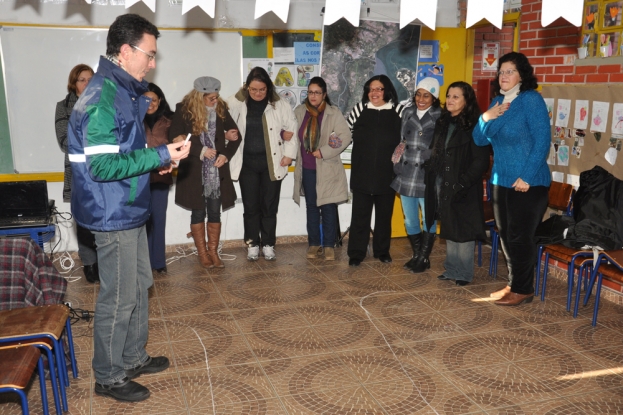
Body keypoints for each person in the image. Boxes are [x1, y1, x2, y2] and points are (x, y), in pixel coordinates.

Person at [67, 14, 190, 402]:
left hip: (129, 205)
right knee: (118, 297)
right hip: (112, 212)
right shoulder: (103, 96)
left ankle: (133, 356)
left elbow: (124, 152)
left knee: (141, 285)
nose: (153, 63)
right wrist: (157, 153)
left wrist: (159, 161)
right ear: (125, 51)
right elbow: (101, 167)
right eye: (149, 55)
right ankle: (108, 375)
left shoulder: (122, 91)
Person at [473, 52, 550, 305]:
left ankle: (523, 289)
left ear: (522, 75)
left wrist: (526, 176)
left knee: (520, 236)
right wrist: (486, 117)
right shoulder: (498, 102)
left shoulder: (530, 100)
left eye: (510, 71)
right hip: (501, 180)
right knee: (505, 234)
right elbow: (479, 139)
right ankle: (514, 283)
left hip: (529, 182)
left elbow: (542, 142)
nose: (503, 76)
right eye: (501, 71)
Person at [226, 67, 298, 261]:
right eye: (253, 89)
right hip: (246, 164)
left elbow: (292, 130)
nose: (257, 93)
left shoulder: (280, 104)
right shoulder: (237, 103)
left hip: (272, 163)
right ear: (247, 88)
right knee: (250, 207)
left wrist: (289, 156)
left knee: (269, 206)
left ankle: (267, 244)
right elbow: (223, 115)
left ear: (268, 89)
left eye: (262, 90)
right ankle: (252, 243)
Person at [170, 76, 240, 268]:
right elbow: (175, 137)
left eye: (216, 97)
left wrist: (225, 155)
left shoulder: (221, 109)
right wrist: (199, 150)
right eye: (211, 98)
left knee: (215, 213)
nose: (215, 101)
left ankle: (213, 253)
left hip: (216, 174)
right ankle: (202, 254)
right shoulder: (184, 110)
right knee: (198, 213)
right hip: (194, 173)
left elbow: (236, 136)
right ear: (199, 96)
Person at [424, 81, 490, 285]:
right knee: (450, 227)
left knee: (464, 230)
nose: (449, 100)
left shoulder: (476, 125)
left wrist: (462, 184)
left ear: (466, 100)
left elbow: (481, 161)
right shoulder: (443, 122)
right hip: (443, 181)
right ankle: (451, 269)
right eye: (448, 95)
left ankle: (464, 273)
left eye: (455, 96)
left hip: (464, 185)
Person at [346, 75, 405, 266]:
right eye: (371, 89)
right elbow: (345, 133)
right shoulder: (359, 109)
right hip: (362, 173)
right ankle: (356, 253)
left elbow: (408, 137)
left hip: (387, 174)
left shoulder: (399, 111)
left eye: (379, 89)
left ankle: (382, 251)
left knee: (384, 217)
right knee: (359, 217)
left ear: (386, 91)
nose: (374, 93)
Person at [292, 77, 352, 261]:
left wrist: (324, 151)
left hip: (327, 168)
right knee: (311, 207)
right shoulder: (300, 111)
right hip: (307, 169)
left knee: (327, 207)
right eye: (310, 92)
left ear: (324, 94)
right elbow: (291, 132)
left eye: (317, 92)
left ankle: (328, 246)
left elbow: (345, 136)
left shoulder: (333, 113)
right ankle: (314, 244)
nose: (313, 96)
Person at [391, 77, 442, 272]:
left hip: (427, 175)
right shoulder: (407, 112)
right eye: (418, 94)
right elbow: (402, 139)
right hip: (406, 173)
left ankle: (424, 257)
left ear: (434, 97)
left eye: (426, 95)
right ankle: (417, 255)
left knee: (428, 218)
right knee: (410, 219)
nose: (421, 99)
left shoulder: (440, 116)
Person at [54, 64, 100, 283]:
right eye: (82, 79)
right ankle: (89, 264)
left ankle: (103, 261)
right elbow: (65, 141)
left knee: (102, 220)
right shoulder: (63, 107)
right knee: (82, 222)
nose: (87, 83)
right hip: (78, 173)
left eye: (91, 79)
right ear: (74, 83)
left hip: (102, 172)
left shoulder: (104, 105)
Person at [143, 83, 176, 273]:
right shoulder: (134, 120)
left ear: (160, 100)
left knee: (158, 219)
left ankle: (159, 263)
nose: (150, 103)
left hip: (161, 177)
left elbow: (176, 144)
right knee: (143, 221)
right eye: (146, 99)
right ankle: (145, 264)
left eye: (153, 99)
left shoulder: (170, 119)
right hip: (139, 177)